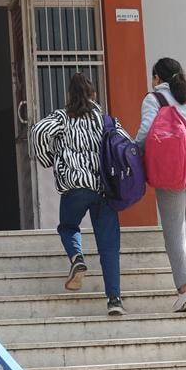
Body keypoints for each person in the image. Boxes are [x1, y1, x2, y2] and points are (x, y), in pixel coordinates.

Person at [31, 72, 127, 316]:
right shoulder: (106, 121)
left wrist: (48, 158)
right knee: (109, 246)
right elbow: (125, 143)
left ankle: (77, 258)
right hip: (104, 189)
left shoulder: (62, 117)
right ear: (93, 94)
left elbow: (38, 131)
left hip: (75, 187)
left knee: (68, 226)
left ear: (69, 96)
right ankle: (114, 299)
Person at [136, 57, 186, 312]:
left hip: (172, 171)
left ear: (156, 78)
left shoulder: (153, 99)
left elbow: (145, 134)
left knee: (173, 232)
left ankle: (185, 290)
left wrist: (132, 152)